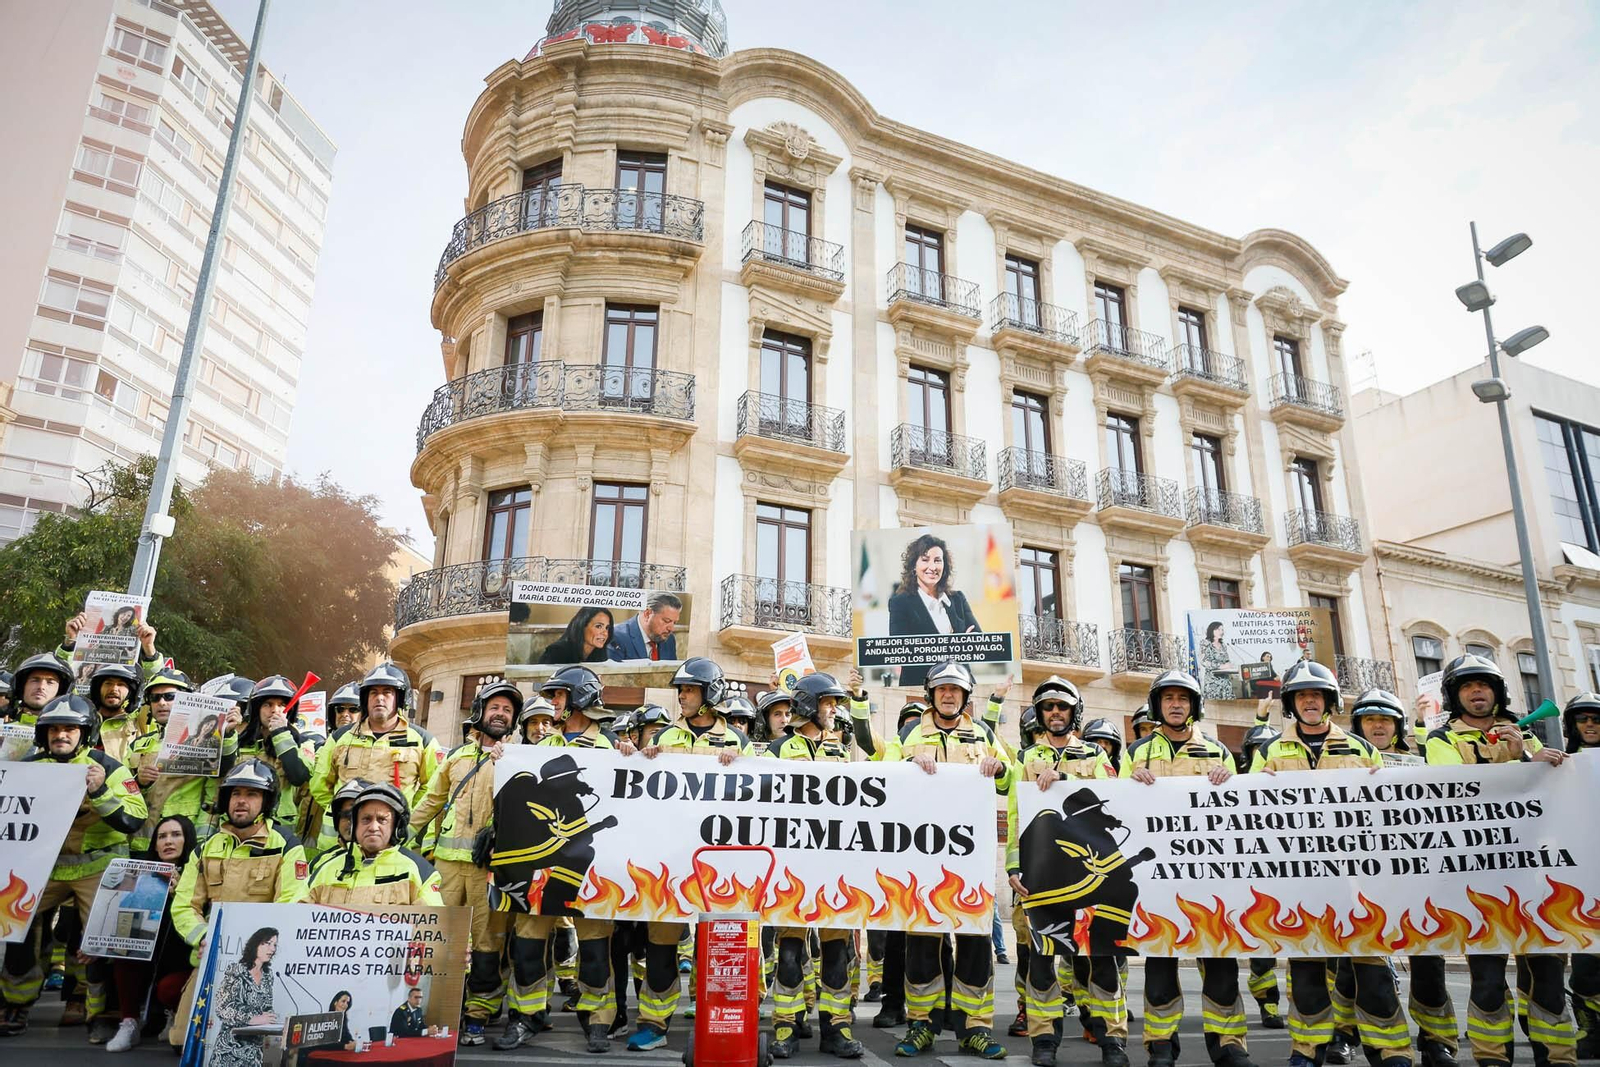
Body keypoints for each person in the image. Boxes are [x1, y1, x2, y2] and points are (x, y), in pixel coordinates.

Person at [1249, 661, 1409, 1067]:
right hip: (1299, 886)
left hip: (1358, 884)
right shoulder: (1269, 752)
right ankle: (1307, 1050)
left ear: (1329, 701)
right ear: (1291, 703)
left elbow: (1391, 812)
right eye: (1302, 695)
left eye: (1316, 695)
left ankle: (1390, 1051)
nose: (1309, 701)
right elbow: (1248, 815)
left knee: (1372, 971)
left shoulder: (1361, 749)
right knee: (1306, 974)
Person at [1422, 654, 1575, 1067]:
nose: (1477, 692)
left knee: (1546, 975)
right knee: (1487, 976)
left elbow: (1547, 788)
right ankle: (1492, 1057)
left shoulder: (1524, 737)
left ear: (1497, 693)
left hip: (1534, 874)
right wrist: (1513, 761)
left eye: (1484, 685)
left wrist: (1526, 755)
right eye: (1468, 686)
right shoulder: (1441, 740)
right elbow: (1459, 790)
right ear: (1455, 695)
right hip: (1477, 878)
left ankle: (1558, 1056)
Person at [1121, 669, 1254, 1067]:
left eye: (1182, 698)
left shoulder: (1218, 751)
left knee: (1221, 967)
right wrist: (1131, 782)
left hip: (1209, 883)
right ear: (1157, 705)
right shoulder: (1135, 753)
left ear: (1193, 705)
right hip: (1156, 884)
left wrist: (1230, 781)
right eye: (1168, 698)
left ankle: (1229, 1046)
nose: (1175, 705)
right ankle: (1160, 1046)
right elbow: (1119, 810)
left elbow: (1237, 812)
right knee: (1160, 967)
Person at [0, 695, 148, 1039]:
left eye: (70, 728)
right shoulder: (28, 766)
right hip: (43, 869)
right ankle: (15, 1004)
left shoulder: (107, 767)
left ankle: (100, 1013)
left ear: (85, 733)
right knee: (14, 922)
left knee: (104, 936)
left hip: (98, 867)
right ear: (43, 734)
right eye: (54, 729)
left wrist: (100, 793)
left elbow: (134, 819)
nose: (61, 735)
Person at [884, 661, 1011, 1060]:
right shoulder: (907, 734)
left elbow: (1011, 778)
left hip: (970, 860)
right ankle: (922, 1023)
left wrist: (999, 766)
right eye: (941, 689)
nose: (949, 695)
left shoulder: (984, 734)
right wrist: (906, 767)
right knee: (921, 943)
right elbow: (881, 778)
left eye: (955, 690)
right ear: (930, 694)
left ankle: (975, 1028)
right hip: (920, 860)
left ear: (966, 696)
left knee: (975, 943)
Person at [499, 665, 628, 1055]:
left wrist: (637, 757)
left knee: (593, 951)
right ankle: (526, 1016)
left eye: (558, 696)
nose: (552, 703)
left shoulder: (611, 748)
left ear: (580, 699)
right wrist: (501, 759)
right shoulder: (539, 748)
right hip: (538, 868)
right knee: (526, 945)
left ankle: (597, 1021)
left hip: (591, 870)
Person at [626, 657, 750, 1051]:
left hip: (723, 862)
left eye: (690, 690)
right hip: (672, 861)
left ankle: (721, 1019)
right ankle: (654, 1023)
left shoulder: (738, 741)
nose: (682, 696)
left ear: (710, 694)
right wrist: (633, 757)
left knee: (722, 943)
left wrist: (744, 763)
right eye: (680, 690)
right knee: (661, 943)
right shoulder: (663, 738)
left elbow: (763, 793)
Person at [1007, 676, 1122, 1067]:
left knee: (1101, 959)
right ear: (1040, 714)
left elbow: (1115, 795)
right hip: (1042, 876)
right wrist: (1013, 866)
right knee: (1042, 961)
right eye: (1048, 707)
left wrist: (1066, 779)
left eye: (1062, 706)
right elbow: (1016, 814)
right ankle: (1044, 1041)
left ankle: (1112, 1040)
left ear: (1074, 712)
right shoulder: (1025, 758)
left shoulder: (1094, 753)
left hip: (1095, 877)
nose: (1055, 713)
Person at [168, 760, 308, 1049]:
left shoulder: (287, 846)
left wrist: (258, 951)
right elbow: (184, 906)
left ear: (267, 802)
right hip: (213, 962)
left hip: (263, 969)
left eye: (252, 794)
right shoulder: (205, 848)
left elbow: (292, 904)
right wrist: (203, 937)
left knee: (258, 1046)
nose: (241, 801)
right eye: (235, 793)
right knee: (183, 1041)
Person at [410, 680, 518, 1046]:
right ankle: (436, 1010)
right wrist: (401, 834)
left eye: (507, 710)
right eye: (495, 708)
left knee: (487, 944)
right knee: (439, 941)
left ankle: (478, 1013)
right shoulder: (455, 758)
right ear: (480, 713)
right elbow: (430, 801)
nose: (500, 714)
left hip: (488, 871)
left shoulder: (518, 759)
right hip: (445, 868)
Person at [767, 673, 864, 1060]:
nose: (833, 710)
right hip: (791, 871)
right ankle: (787, 1028)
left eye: (836, 704)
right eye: (828, 703)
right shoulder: (776, 751)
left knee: (837, 956)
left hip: (834, 870)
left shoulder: (842, 752)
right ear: (808, 705)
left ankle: (835, 1029)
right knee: (789, 955)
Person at [107, 814, 199, 1053]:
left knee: (169, 989)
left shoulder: (200, 874)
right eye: (162, 836)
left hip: (182, 961)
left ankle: (176, 1014)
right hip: (147, 956)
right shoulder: (137, 874)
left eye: (176, 835)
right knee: (122, 953)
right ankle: (129, 1022)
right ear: (154, 844)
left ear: (188, 839)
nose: (168, 841)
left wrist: (181, 893)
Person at [310, 662, 442, 814]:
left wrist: (406, 815)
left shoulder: (423, 741)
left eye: (387, 692)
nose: (379, 698)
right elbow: (319, 785)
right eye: (373, 692)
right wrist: (342, 814)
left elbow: (432, 789)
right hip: (340, 836)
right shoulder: (340, 737)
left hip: (391, 833)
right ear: (365, 698)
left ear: (399, 699)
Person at [308, 782, 442, 906]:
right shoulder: (325, 870)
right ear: (355, 826)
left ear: (396, 827)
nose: (373, 827)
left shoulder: (420, 872)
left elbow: (431, 926)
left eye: (382, 820)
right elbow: (297, 917)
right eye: (366, 819)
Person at [886, 534, 982, 689]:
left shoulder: (957, 599)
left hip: (961, 682)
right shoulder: (900, 602)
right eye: (925, 560)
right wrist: (957, 645)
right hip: (920, 685)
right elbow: (902, 648)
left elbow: (978, 638)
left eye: (937, 560)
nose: (932, 567)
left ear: (944, 566)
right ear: (913, 565)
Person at [1562, 692, 1600, 1059]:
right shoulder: (1561, 768)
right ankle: (1592, 1031)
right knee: (1586, 968)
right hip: (1584, 884)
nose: (1589, 726)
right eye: (1582, 719)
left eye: (1596, 719)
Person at [236, 676, 315, 828]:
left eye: (282, 705)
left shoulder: (304, 743)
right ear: (257, 709)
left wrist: (281, 734)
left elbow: (298, 776)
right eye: (268, 704)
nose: (275, 710)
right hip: (243, 821)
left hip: (280, 824)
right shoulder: (241, 742)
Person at [211, 927, 278, 1067]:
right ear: (255, 945)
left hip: (255, 1052)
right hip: (231, 1049)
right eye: (268, 943)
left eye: (275, 945)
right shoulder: (237, 971)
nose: (272, 949)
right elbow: (222, 1008)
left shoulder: (268, 976)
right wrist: (253, 1019)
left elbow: (266, 1007)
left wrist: (270, 1018)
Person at [87, 662, 145, 765]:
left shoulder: (139, 723)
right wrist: (67, 648)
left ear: (131, 692)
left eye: (121, 684)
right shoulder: (83, 721)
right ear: (98, 689)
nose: (114, 689)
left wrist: (150, 654)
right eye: (108, 683)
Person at [606, 592, 682, 661]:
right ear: (647, 614)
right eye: (666, 621)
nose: (671, 629)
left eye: (674, 622)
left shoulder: (669, 640)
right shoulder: (616, 637)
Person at [8, 652, 76, 726]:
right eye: (35, 680)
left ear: (61, 691)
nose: (41, 687)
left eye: (50, 682)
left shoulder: (71, 734)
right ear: (21, 687)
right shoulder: (3, 726)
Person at [539, 606, 615, 664]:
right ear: (582, 626)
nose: (605, 633)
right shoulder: (557, 652)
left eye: (607, 628)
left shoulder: (600, 653)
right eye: (598, 626)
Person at [1199, 621, 1236, 701]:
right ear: (1212, 630)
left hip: (1225, 681)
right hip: (1213, 682)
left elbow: (1226, 660)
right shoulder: (1205, 643)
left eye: (1222, 630)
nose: (1221, 632)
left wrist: (1229, 665)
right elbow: (1204, 661)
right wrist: (1221, 666)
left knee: (1229, 707)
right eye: (1219, 629)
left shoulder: (1223, 645)